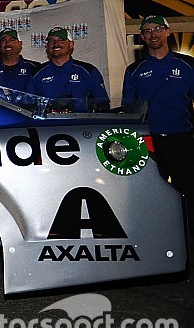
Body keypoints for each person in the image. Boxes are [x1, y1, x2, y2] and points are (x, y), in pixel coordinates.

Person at [122, 15, 194, 236]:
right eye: (147, 31)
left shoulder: (187, 65)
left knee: (189, 193)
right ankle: (156, 239)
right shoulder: (134, 69)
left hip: (182, 139)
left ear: (168, 32)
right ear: (142, 37)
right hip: (149, 142)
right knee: (150, 194)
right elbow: (129, 110)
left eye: (157, 29)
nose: (153, 34)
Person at [28, 26, 110, 112]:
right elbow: (28, 105)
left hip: (80, 124)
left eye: (61, 40)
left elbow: (103, 105)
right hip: (47, 124)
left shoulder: (88, 71)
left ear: (71, 44)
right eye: (51, 41)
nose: (56, 44)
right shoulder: (36, 73)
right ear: (47, 46)